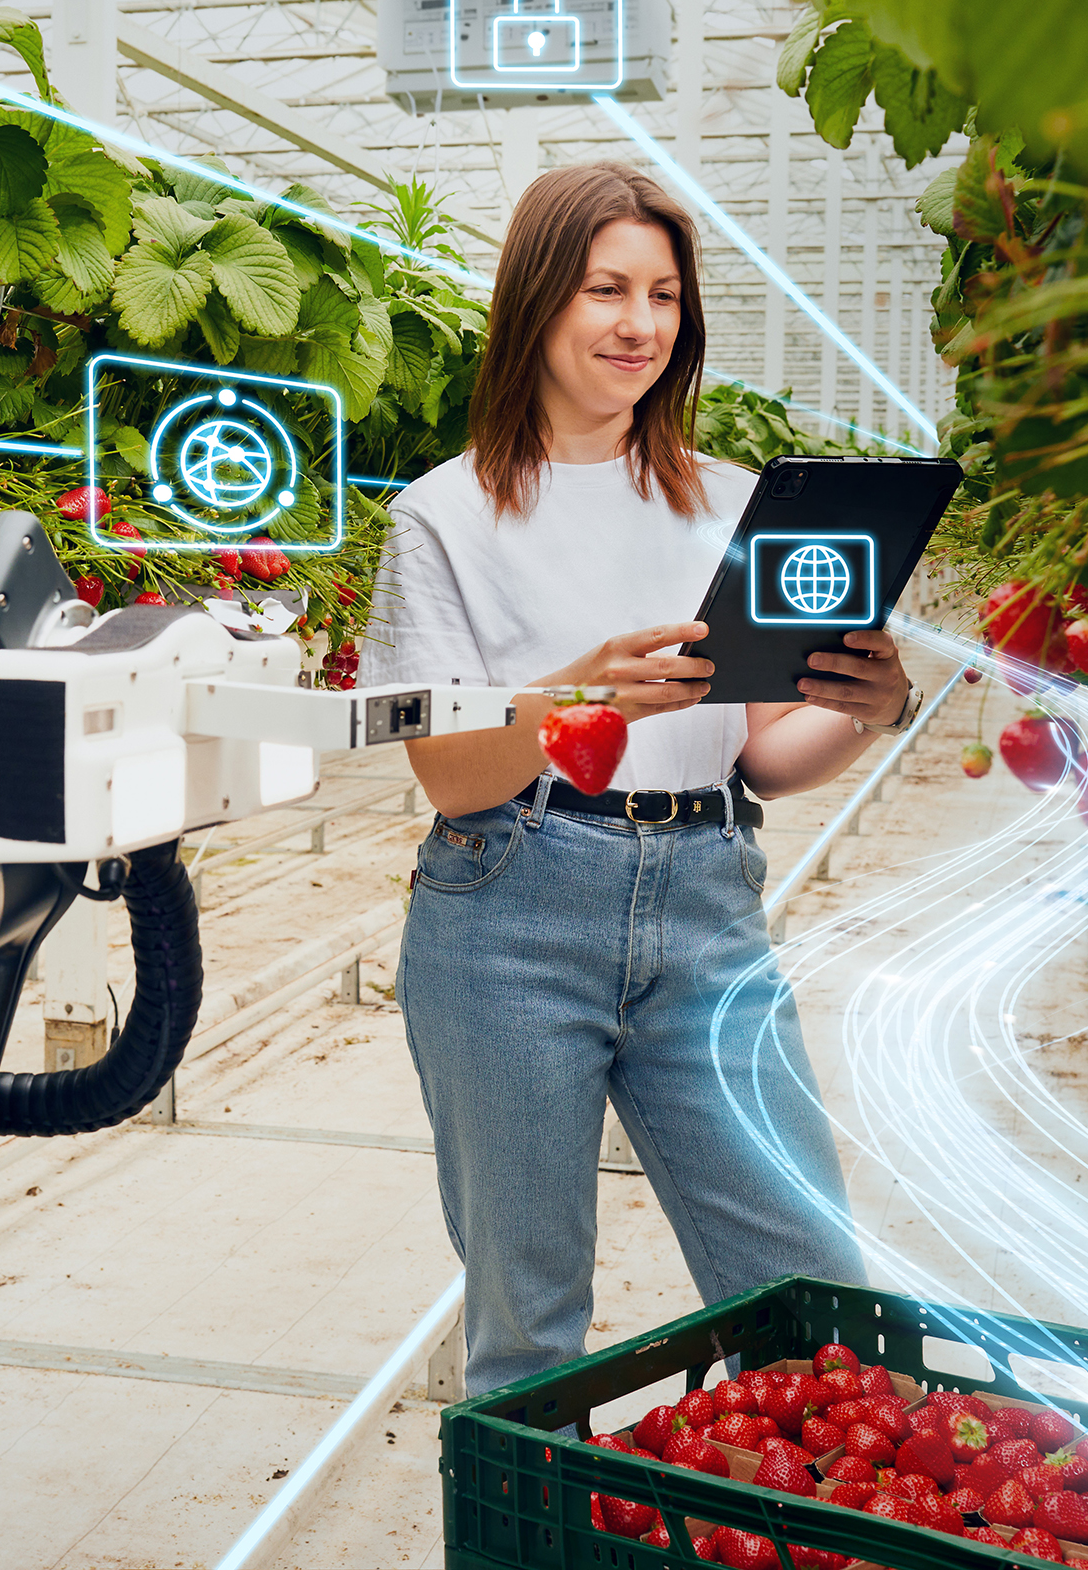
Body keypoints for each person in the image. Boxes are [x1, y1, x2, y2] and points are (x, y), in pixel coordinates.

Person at [356, 162, 915, 1399]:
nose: (639, 325)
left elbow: (765, 751)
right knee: (529, 1320)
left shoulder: (736, 505)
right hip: (510, 912)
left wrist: (863, 711)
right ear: (538, 301)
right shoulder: (443, 517)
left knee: (810, 1289)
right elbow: (451, 776)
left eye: (664, 294)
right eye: (606, 288)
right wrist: (576, 697)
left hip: (708, 906)